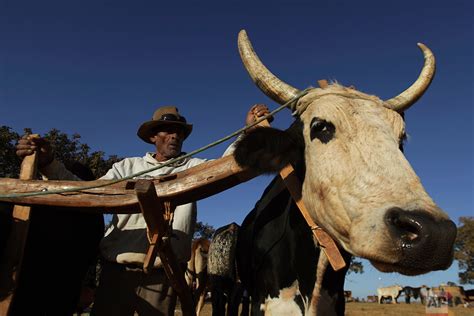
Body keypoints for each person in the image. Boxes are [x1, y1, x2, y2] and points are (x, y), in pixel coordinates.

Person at [15, 104, 270, 316]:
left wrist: (250, 130)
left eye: (179, 132)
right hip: (118, 273)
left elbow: (229, 165)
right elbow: (86, 191)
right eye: (167, 131)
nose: (175, 136)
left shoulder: (195, 166)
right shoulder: (127, 167)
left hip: (165, 275)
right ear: (153, 137)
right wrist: (49, 163)